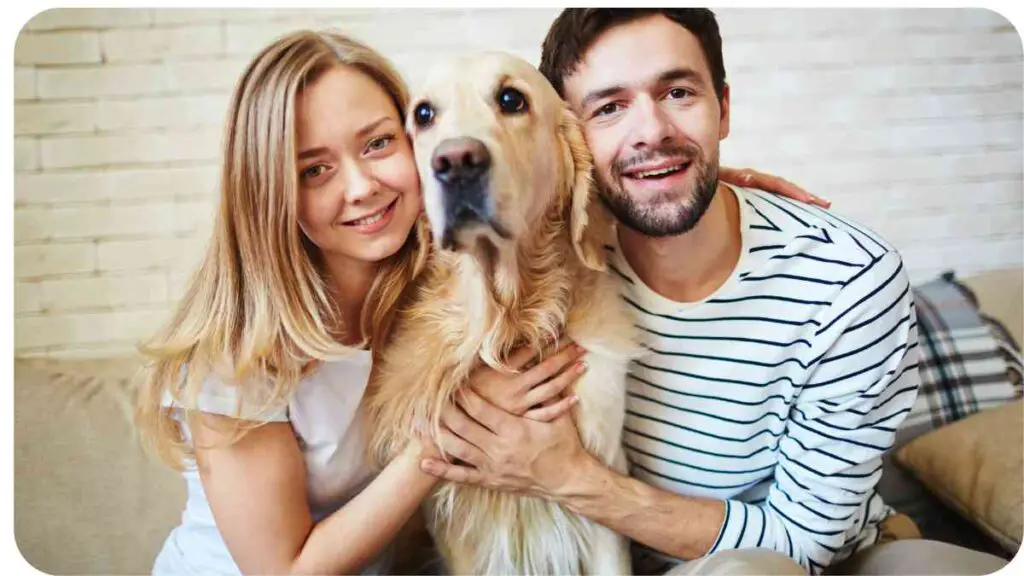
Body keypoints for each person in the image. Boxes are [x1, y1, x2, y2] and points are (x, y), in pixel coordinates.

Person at [133, 27, 817, 576]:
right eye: (314, 169)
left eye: (380, 143)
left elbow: (531, 169)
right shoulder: (234, 360)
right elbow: (285, 570)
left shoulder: (414, 277)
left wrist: (695, 178)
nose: (363, 186)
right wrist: (454, 434)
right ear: (268, 192)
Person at [417, 8, 1010, 576]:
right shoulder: (561, 260)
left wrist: (569, 477)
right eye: (610, 108)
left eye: (679, 93)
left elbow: (804, 546)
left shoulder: (850, 278)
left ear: (723, 108)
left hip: (838, 555)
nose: (651, 131)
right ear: (573, 145)